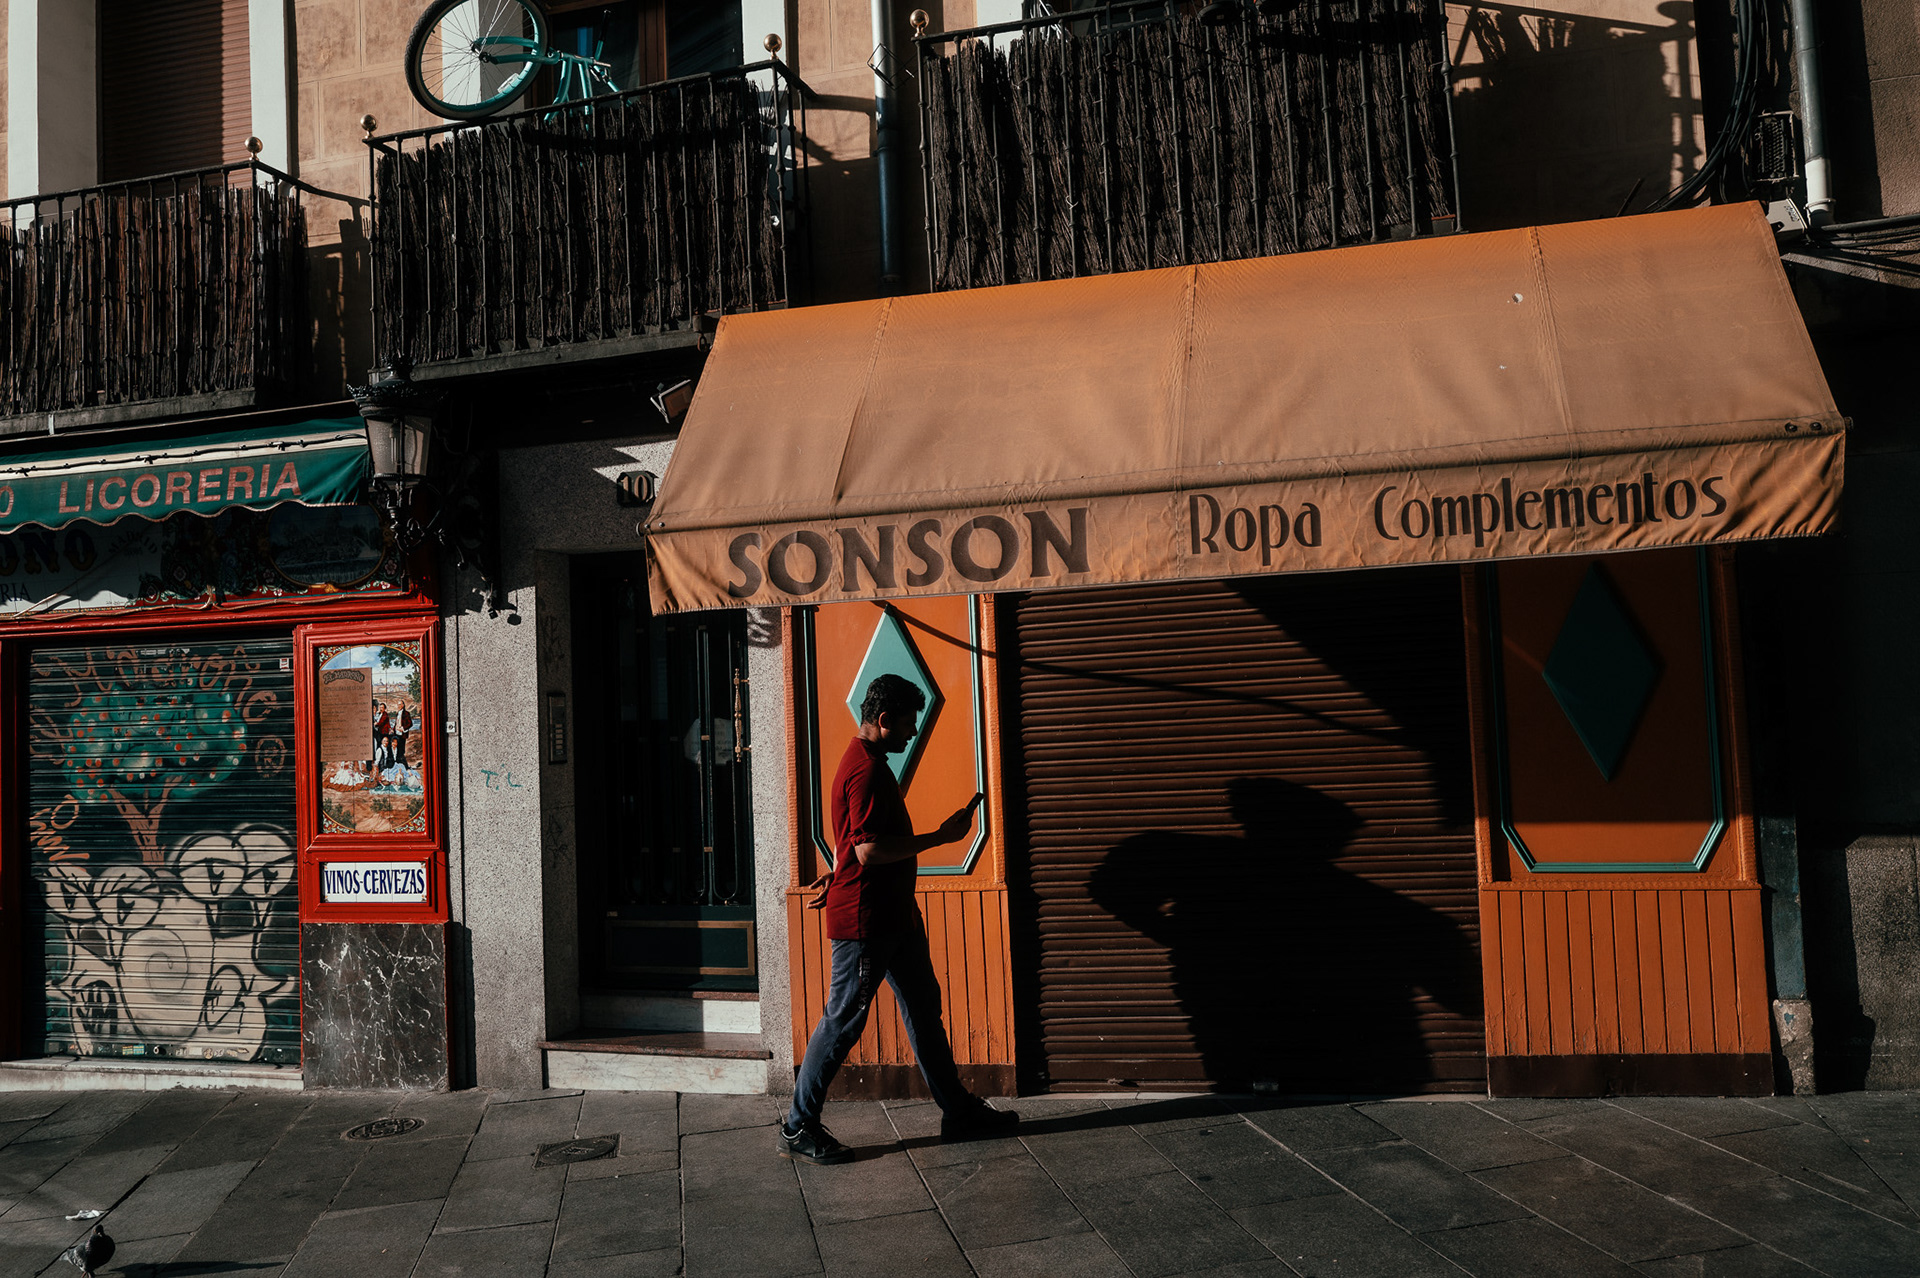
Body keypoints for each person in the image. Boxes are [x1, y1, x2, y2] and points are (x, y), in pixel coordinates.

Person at [779, 672, 1018, 1165]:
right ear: (884, 719)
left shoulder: (865, 762)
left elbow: (852, 842)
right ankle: (798, 1124)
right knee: (844, 1020)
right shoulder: (865, 770)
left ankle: (958, 1112)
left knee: (924, 1010)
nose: (912, 733)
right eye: (908, 724)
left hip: (895, 917)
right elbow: (868, 850)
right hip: (867, 922)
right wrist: (941, 837)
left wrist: (836, 872)